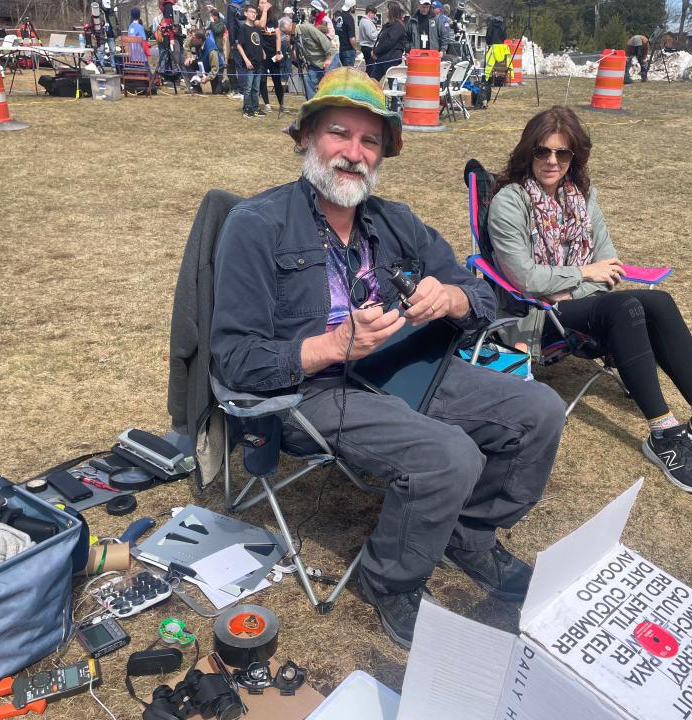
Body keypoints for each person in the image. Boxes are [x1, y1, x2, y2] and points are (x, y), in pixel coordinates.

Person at [211, 68, 565, 649]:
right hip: (317, 390)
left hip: (409, 367)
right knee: (447, 455)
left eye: (369, 141)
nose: (353, 153)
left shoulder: (395, 221)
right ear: (306, 138)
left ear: (382, 154)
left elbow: (484, 296)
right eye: (339, 134)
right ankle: (391, 579)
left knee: (540, 410)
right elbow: (235, 359)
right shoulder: (256, 227)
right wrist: (331, 346)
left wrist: (451, 297)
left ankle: (467, 534)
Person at [487, 106, 692, 495]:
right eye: (542, 151)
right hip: (539, 316)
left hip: (577, 302)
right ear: (527, 151)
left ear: (574, 157)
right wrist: (582, 273)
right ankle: (663, 434)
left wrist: (571, 283)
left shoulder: (582, 198)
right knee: (625, 306)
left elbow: (608, 264)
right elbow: (525, 278)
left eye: (562, 154)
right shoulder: (509, 203)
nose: (551, 161)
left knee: (660, 301)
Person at [296, 12, 338, 98]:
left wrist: (328, 59)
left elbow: (327, 47)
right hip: (316, 63)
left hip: (329, 58)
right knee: (308, 80)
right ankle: (312, 104)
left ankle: (329, 104)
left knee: (327, 82)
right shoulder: (300, 35)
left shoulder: (316, 33)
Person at [254, 0, 285, 112]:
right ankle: (267, 104)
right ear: (258, 5)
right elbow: (261, 26)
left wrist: (278, 52)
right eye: (261, 2)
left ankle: (281, 104)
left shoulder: (273, 19)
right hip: (262, 55)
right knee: (263, 80)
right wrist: (265, 11)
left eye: (265, 2)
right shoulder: (256, 19)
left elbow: (277, 37)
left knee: (277, 80)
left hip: (273, 54)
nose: (263, 5)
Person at [236, 4, 265, 115]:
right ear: (246, 13)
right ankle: (247, 108)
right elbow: (239, 45)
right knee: (248, 88)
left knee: (256, 88)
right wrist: (246, 60)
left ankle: (256, 107)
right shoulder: (243, 28)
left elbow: (259, 43)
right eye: (251, 12)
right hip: (249, 63)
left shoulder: (256, 29)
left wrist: (262, 52)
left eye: (255, 12)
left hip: (258, 63)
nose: (253, 14)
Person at [369, 1, 406, 82]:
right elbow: (379, 39)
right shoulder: (387, 25)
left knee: (393, 84)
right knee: (372, 81)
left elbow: (389, 42)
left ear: (392, 11)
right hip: (381, 59)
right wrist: (374, 50)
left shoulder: (398, 26)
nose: (386, 11)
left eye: (387, 9)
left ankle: (395, 95)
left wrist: (376, 51)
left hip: (391, 60)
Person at [184, 28, 225, 94]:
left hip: (216, 69)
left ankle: (225, 85)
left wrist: (207, 78)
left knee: (217, 92)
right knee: (189, 63)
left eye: (193, 37)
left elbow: (215, 69)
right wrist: (189, 57)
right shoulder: (194, 40)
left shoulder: (211, 51)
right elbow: (187, 45)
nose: (191, 38)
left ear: (199, 40)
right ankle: (195, 86)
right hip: (202, 64)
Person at [226, 0, 247, 99]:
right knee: (248, 65)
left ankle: (243, 91)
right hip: (248, 39)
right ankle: (251, 89)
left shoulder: (231, 7)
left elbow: (231, 26)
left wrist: (232, 43)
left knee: (240, 66)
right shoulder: (247, 3)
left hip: (237, 40)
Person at [333, 0, 357, 67]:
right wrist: (355, 49)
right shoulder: (349, 18)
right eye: (355, 6)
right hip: (348, 50)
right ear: (351, 7)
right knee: (348, 74)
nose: (355, 7)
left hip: (340, 49)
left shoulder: (340, 17)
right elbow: (352, 38)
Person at [356, 4, 378, 72]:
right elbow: (371, 36)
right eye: (374, 14)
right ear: (369, 13)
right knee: (371, 67)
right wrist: (378, 32)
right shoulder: (366, 22)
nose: (374, 16)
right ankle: (369, 80)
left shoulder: (363, 21)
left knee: (369, 66)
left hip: (365, 46)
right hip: (368, 46)